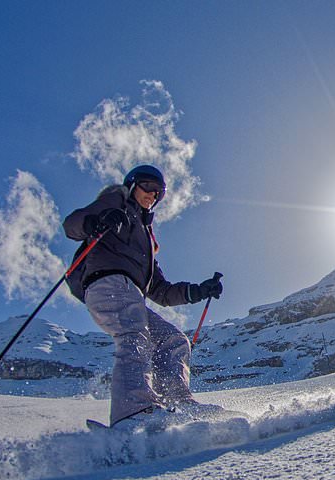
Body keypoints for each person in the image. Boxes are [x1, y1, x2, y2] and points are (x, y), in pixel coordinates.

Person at [63, 164, 223, 428]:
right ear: (132, 185)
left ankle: (178, 405)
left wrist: (199, 290)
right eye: (147, 186)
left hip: (132, 294)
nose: (152, 194)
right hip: (107, 283)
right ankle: (133, 412)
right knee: (134, 335)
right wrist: (96, 221)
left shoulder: (147, 240)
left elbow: (161, 291)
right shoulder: (116, 201)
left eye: (158, 192)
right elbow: (72, 225)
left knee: (173, 339)